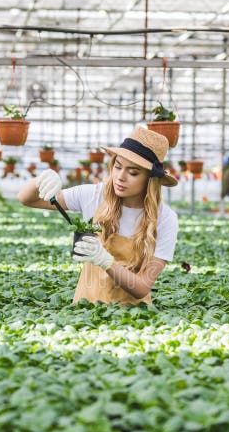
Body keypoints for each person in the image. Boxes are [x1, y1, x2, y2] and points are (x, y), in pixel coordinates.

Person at [18, 126, 179, 305]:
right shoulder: (93, 195)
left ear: (150, 179)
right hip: (86, 313)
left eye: (133, 172)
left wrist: (105, 261)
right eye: (117, 167)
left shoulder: (165, 219)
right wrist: (41, 180)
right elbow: (27, 199)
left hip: (134, 319)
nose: (120, 177)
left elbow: (142, 287)